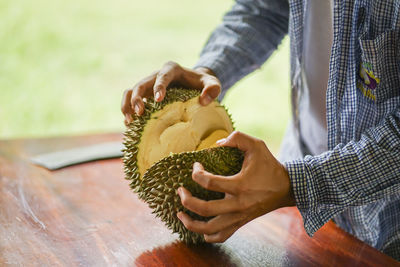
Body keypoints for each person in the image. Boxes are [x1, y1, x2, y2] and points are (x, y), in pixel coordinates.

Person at [121, 0, 400, 260]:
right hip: (296, 200)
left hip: (389, 228)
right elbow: (263, 8)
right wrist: (210, 68)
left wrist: (294, 183)